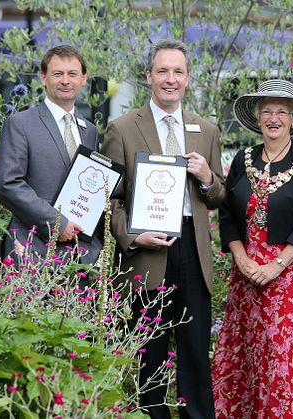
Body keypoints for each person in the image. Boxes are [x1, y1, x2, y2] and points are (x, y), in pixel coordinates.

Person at [101, 39, 225, 419]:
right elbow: (110, 200)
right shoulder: (122, 128)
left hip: (193, 248)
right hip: (148, 249)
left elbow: (219, 194)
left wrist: (207, 177)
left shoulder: (206, 130)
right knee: (150, 353)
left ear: (188, 78)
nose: (170, 79)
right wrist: (131, 236)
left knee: (194, 353)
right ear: (148, 77)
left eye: (178, 72)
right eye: (163, 71)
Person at [211, 79, 293, 418]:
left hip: (289, 273)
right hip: (245, 270)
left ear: (292, 119)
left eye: (281, 112)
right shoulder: (243, 159)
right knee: (243, 349)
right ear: (258, 118)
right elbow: (228, 213)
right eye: (267, 112)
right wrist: (241, 257)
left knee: (279, 354)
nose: (273, 118)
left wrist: (277, 265)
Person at [0, 45, 102, 265]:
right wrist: (57, 223)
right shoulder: (20, 123)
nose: (65, 80)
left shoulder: (89, 131)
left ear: (83, 79)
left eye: (72, 74)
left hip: (79, 254)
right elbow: (8, 184)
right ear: (43, 78)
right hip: (31, 249)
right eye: (57, 74)